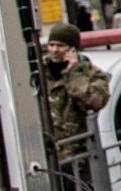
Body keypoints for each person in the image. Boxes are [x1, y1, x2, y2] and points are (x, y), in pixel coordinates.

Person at [37, 19, 110, 150]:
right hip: (49, 153)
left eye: (60, 46)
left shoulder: (91, 73)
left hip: (78, 154)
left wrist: (74, 73)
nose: (54, 50)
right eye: (51, 45)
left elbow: (96, 102)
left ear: (72, 49)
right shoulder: (39, 72)